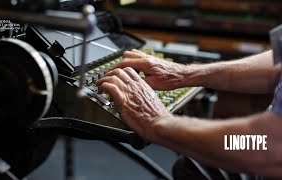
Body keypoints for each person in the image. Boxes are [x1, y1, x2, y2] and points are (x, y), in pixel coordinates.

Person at [95, 49, 282, 178]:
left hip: (266, 150)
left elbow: (270, 147)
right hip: (265, 147)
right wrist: (186, 74)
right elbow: (278, 60)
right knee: (191, 166)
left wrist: (157, 123)